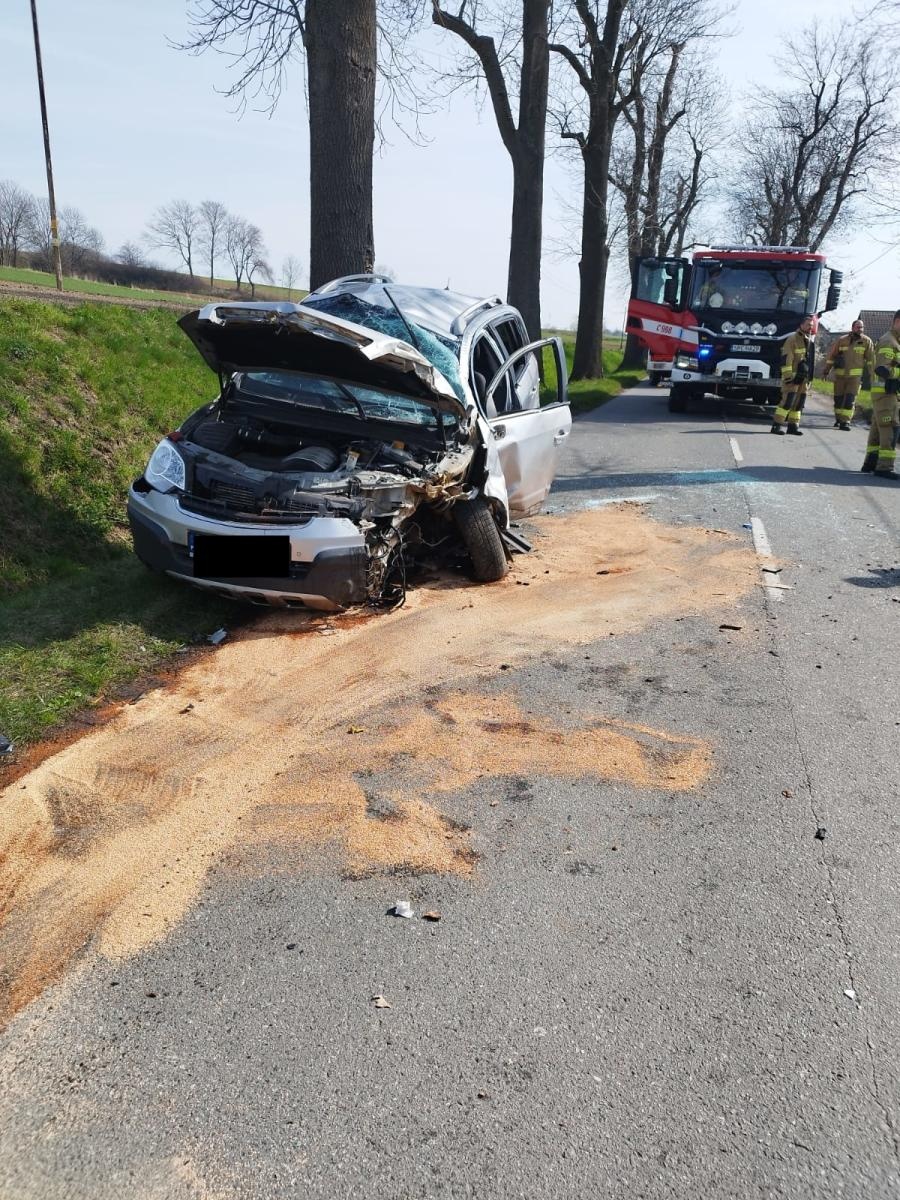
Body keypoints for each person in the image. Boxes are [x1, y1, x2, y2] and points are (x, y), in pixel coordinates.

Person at [861, 309, 900, 479]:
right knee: (890, 428)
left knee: (878, 428)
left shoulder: (893, 341)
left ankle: (871, 462)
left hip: (884, 393)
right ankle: (884, 467)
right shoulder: (889, 341)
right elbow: (882, 369)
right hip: (885, 393)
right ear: (897, 321)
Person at [823, 319, 875, 430]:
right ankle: (838, 418)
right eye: (858, 327)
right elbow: (832, 357)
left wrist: (873, 376)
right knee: (838, 400)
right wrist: (826, 371)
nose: (860, 329)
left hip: (855, 378)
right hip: (840, 377)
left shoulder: (867, 341)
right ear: (852, 328)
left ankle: (845, 422)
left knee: (850, 400)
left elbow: (871, 361)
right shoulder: (842, 340)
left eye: (862, 327)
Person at [771, 315, 815, 435]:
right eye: (808, 325)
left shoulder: (809, 341)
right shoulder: (792, 339)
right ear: (801, 325)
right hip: (792, 378)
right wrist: (788, 376)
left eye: (812, 325)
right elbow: (786, 359)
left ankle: (793, 426)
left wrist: (809, 378)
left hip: (803, 379)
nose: (810, 327)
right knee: (787, 402)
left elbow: (810, 362)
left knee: (799, 403)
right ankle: (776, 426)